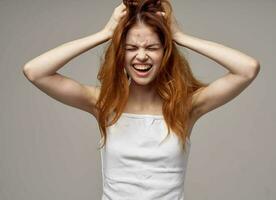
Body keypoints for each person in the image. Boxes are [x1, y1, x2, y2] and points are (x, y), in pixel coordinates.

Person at [23, 0, 260, 199]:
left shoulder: (185, 107)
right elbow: (35, 71)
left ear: (165, 53)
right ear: (120, 54)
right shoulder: (104, 104)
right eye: (131, 48)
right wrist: (104, 34)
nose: (142, 56)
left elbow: (247, 69)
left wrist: (179, 36)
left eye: (152, 47)